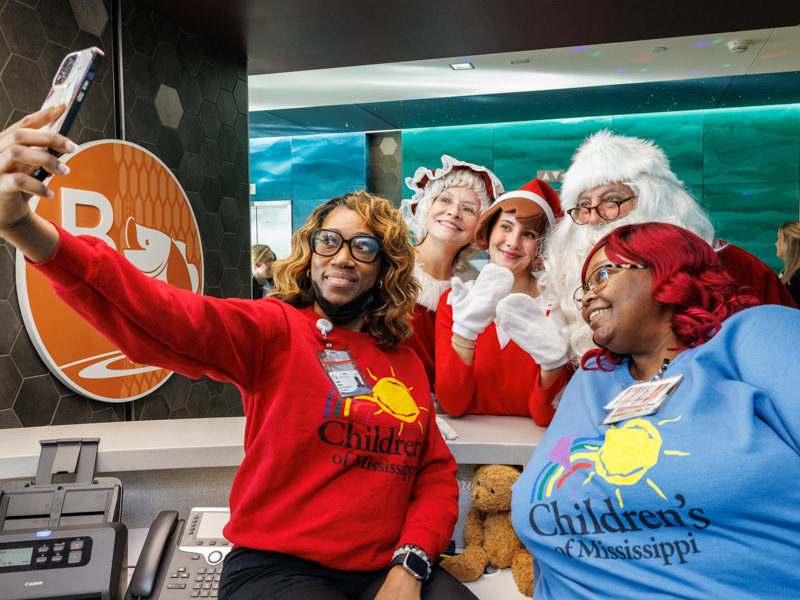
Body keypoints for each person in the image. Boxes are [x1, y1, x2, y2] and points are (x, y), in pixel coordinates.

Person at [0, 108, 477, 600]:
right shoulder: (274, 330)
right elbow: (158, 313)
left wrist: (410, 564)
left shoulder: (404, 360)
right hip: (279, 569)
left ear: (385, 269)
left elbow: (433, 473)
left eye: (363, 248)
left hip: (385, 566)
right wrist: (21, 226)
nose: (341, 257)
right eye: (329, 241)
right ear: (310, 252)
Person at [511, 222, 800, 599]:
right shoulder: (592, 378)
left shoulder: (757, 335)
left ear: (665, 266)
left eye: (602, 275)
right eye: (584, 289)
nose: (587, 298)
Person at [538, 129, 797, 365]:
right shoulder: (567, 285)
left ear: (655, 199)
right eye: (584, 205)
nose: (594, 217)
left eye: (611, 200)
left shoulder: (739, 266)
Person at [434, 180, 570, 425]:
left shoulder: (559, 308)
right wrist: (465, 332)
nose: (513, 242)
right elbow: (453, 404)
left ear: (541, 248)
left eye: (528, 234)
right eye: (505, 227)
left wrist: (553, 364)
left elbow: (546, 417)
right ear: (489, 231)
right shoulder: (456, 301)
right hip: (472, 449)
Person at [400, 155, 503, 388]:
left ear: (479, 228)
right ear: (427, 207)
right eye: (445, 200)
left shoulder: (474, 291)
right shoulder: (389, 269)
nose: (454, 212)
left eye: (468, 209)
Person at [776, 221, 800, 307]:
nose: (776, 244)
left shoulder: (797, 276)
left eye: (779, 239)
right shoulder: (787, 273)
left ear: (790, 243)